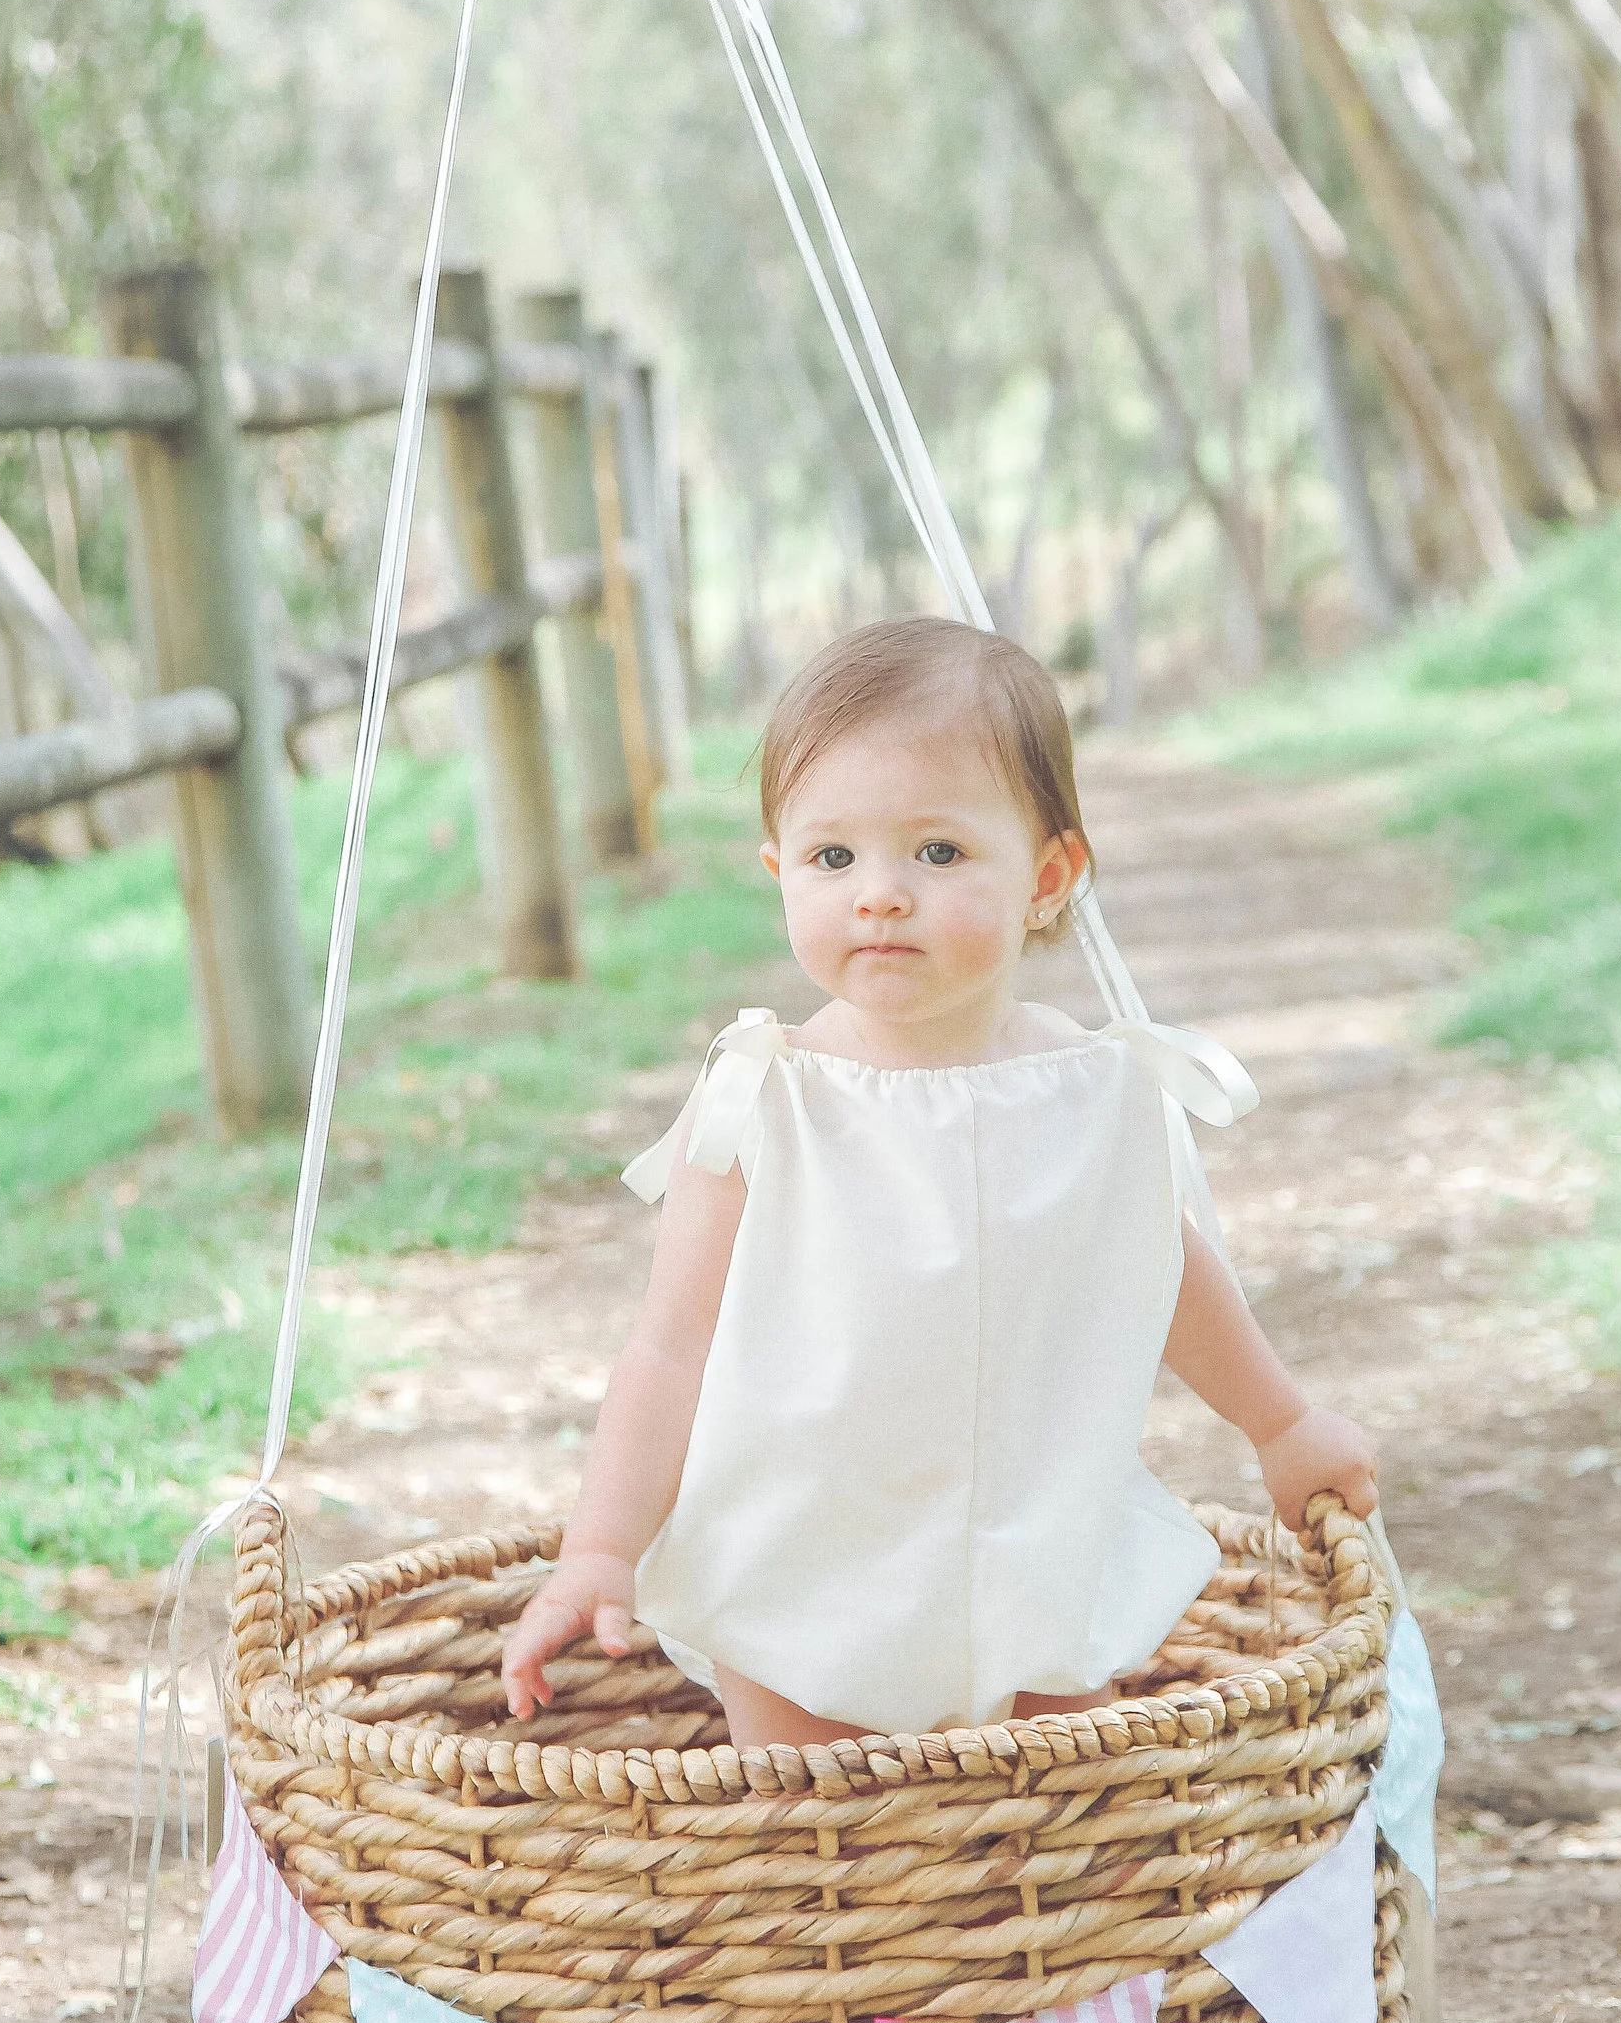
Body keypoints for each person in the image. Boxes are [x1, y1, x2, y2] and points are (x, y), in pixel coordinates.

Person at [500, 615, 1378, 1749]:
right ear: (779, 872)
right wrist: (599, 1553)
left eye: (938, 852)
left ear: (1047, 878)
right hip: (802, 1568)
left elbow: (1159, 1266)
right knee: (819, 1856)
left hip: (1039, 1546)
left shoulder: (1091, 1085)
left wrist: (1282, 1420)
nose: (879, 894)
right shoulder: (766, 1098)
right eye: (832, 858)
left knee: (1066, 1834)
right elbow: (669, 1350)